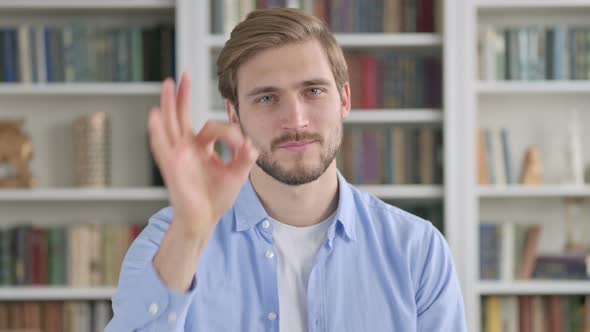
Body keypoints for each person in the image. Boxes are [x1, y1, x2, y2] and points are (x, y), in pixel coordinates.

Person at [105, 7, 467, 332]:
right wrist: (190, 234)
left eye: (312, 91)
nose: (295, 119)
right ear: (235, 115)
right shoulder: (169, 238)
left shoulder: (417, 249)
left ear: (344, 99)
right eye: (266, 98)